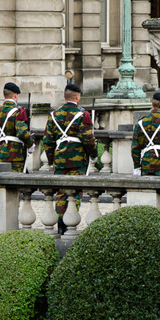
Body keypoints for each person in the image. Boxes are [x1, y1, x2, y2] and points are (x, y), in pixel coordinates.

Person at [42, 83, 98, 235]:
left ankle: (61, 223)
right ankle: (70, 225)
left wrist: (52, 158)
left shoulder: (54, 115)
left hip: (60, 159)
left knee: (61, 193)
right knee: (74, 192)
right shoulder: (83, 115)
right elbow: (88, 139)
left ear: (64, 96)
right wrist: (93, 155)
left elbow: (47, 141)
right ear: (78, 97)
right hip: (77, 160)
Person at [0, 82, 33, 172]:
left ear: (3, 94)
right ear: (15, 95)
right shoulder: (19, 111)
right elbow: (22, 133)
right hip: (15, 157)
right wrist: (31, 144)